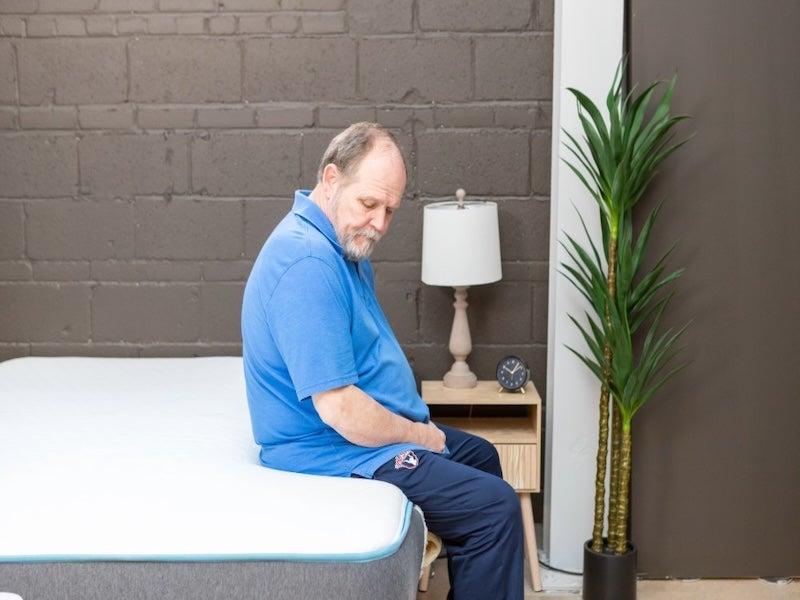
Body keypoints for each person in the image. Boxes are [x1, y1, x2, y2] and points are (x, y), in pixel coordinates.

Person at [241, 122, 524, 600]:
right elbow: (341, 410)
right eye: (369, 204)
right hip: (333, 449)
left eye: (390, 209)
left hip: (357, 440)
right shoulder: (308, 263)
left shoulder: (342, 245)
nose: (380, 223)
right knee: (494, 509)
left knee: (483, 457)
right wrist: (421, 434)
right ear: (330, 180)